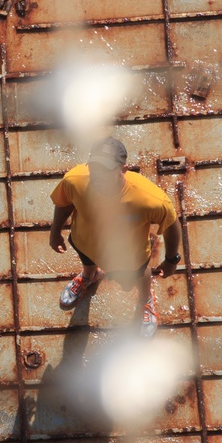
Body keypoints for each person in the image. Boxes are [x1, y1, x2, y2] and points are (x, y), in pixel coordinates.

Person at [49, 137, 182, 336]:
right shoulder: (74, 179)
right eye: (94, 167)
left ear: (123, 169)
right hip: (85, 242)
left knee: (140, 274)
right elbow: (65, 202)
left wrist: (172, 259)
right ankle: (89, 277)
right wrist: (55, 231)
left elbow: (172, 224)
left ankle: (145, 299)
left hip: (130, 255)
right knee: (87, 261)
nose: (97, 175)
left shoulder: (150, 199)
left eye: (106, 170)